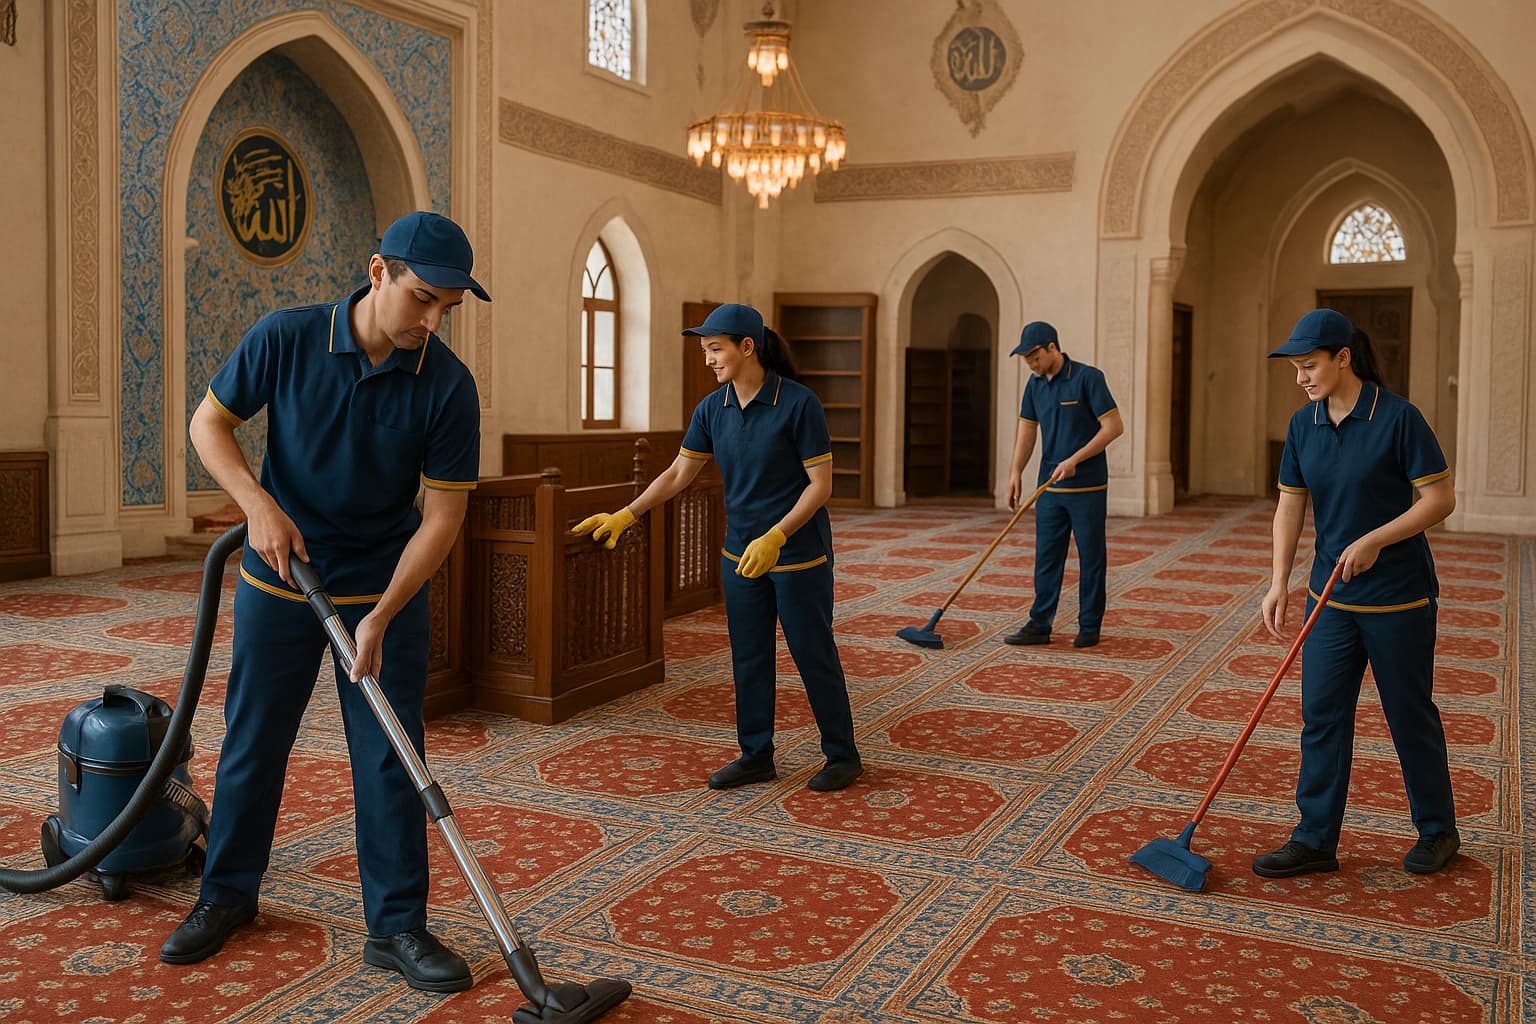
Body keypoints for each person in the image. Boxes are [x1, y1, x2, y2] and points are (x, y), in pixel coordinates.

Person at [161, 211, 489, 993]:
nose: (432, 321)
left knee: (389, 757)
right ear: (378, 272)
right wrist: (256, 504)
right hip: (283, 582)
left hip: (386, 589)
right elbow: (209, 425)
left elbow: (442, 518)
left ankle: (398, 926)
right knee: (254, 741)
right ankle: (227, 895)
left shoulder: (446, 385)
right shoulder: (287, 336)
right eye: (421, 299)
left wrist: (380, 616)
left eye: (448, 306)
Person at [573, 303, 862, 792]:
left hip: (797, 554)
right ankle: (756, 755)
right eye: (705, 350)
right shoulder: (712, 409)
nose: (707, 359)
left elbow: (820, 486)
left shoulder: (797, 403)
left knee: (812, 652)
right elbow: (678, 473)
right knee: (748, 657)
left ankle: (842, 754)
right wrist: (629, 512)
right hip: (739, 554)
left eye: (715, 348)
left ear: (747, 347)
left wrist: (778, 535)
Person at [1254, 308, 1459, 878]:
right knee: (1320, 717)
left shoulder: (1399, 418)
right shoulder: (1303, 425)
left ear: (1343, 357)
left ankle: (1439, 831)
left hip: (1398, 599)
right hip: (1330, 601)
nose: (1301, 378)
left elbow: (1439, 500)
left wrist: (1375, 539)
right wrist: (1279, 582)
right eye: (1295, 369)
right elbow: (1290, 504)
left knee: (1408, 715)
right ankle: (1315, 838)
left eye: (1310, 365)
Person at [1002, 321, 1124, 648]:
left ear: (1052, 347)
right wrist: (1015, 472)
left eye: (1034, 356)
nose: (1031, 363)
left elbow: (1113, 427)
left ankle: (1089, 626)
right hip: (1049, 489)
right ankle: (1040, 624)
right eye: (1026, 358)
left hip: (1087, 489)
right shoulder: (1035, 384)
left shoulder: (1088, 378)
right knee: (1046, 557)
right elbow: (1027, 432)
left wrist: (1075, 459)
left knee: (1091, 558)